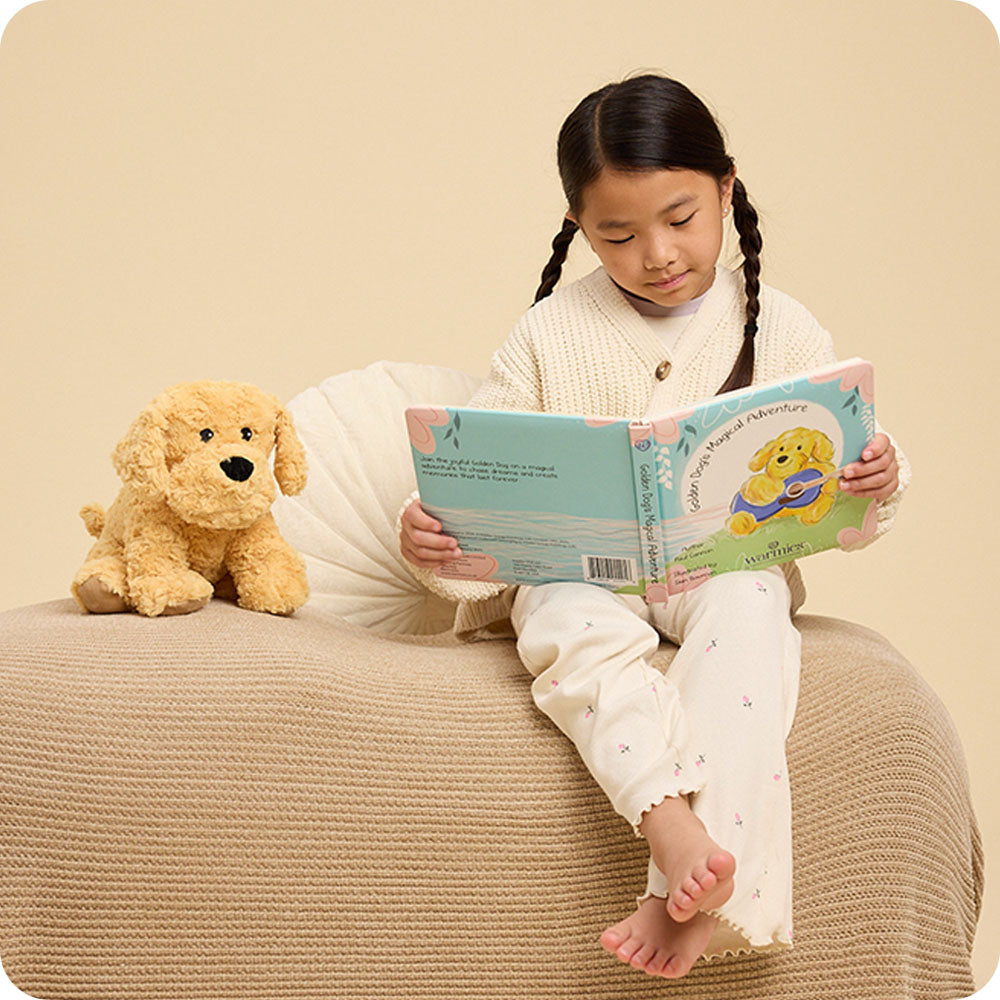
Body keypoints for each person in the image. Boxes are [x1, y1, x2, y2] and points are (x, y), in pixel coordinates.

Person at [398, 74, 909, 979]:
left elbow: (841, 472)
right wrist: (440, 541)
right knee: (561, 619)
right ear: (578, 226)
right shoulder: (547, 335)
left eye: (680, 218)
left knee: (751, 612)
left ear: (726, 188)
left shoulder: (782, 326)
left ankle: (698, 896)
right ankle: (670, 824)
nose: (658, 254)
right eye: (619, 235)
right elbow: (482, 489)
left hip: (723, 568)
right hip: (587, 572)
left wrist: (876, 474)